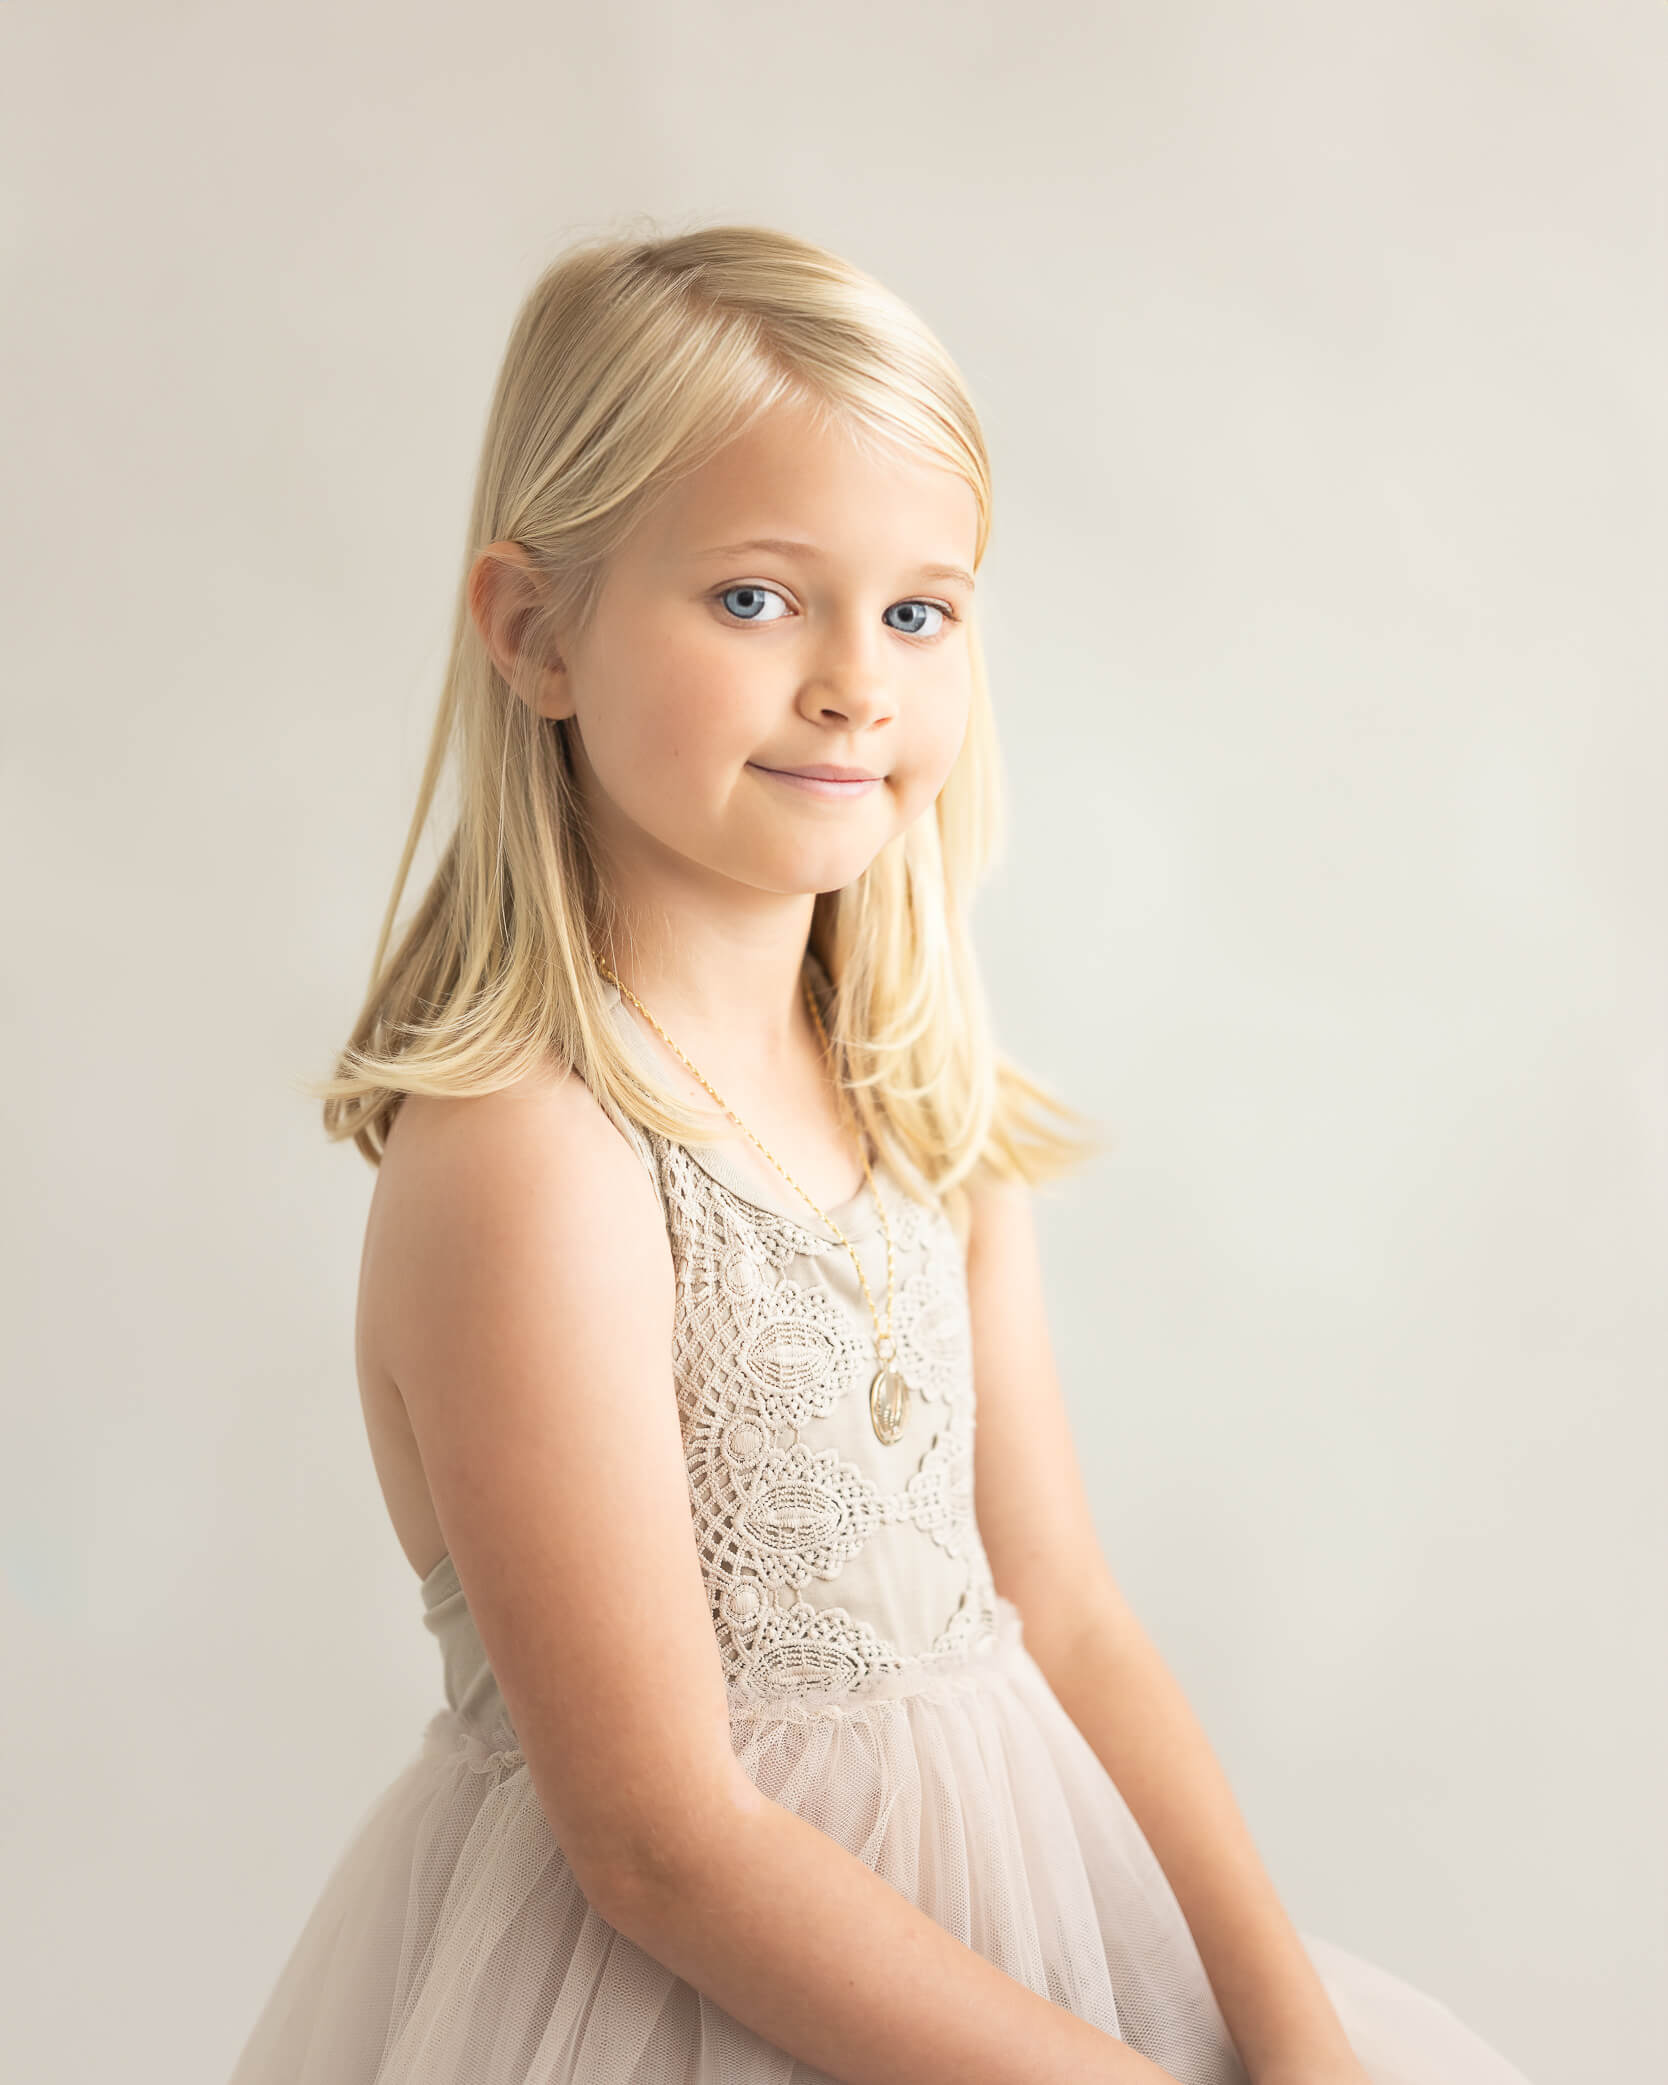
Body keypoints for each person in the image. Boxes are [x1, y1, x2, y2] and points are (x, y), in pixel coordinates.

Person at [229, 222, 1533, 2085]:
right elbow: (665, 1838)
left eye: (920, 610)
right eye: (760, 598)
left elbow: (1064, 1610)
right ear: (536, 633)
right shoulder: (530, 1159)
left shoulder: (918, 1093)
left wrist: (1287, 2035)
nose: (859, 680)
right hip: (694, 2004)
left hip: (1026, 1944)